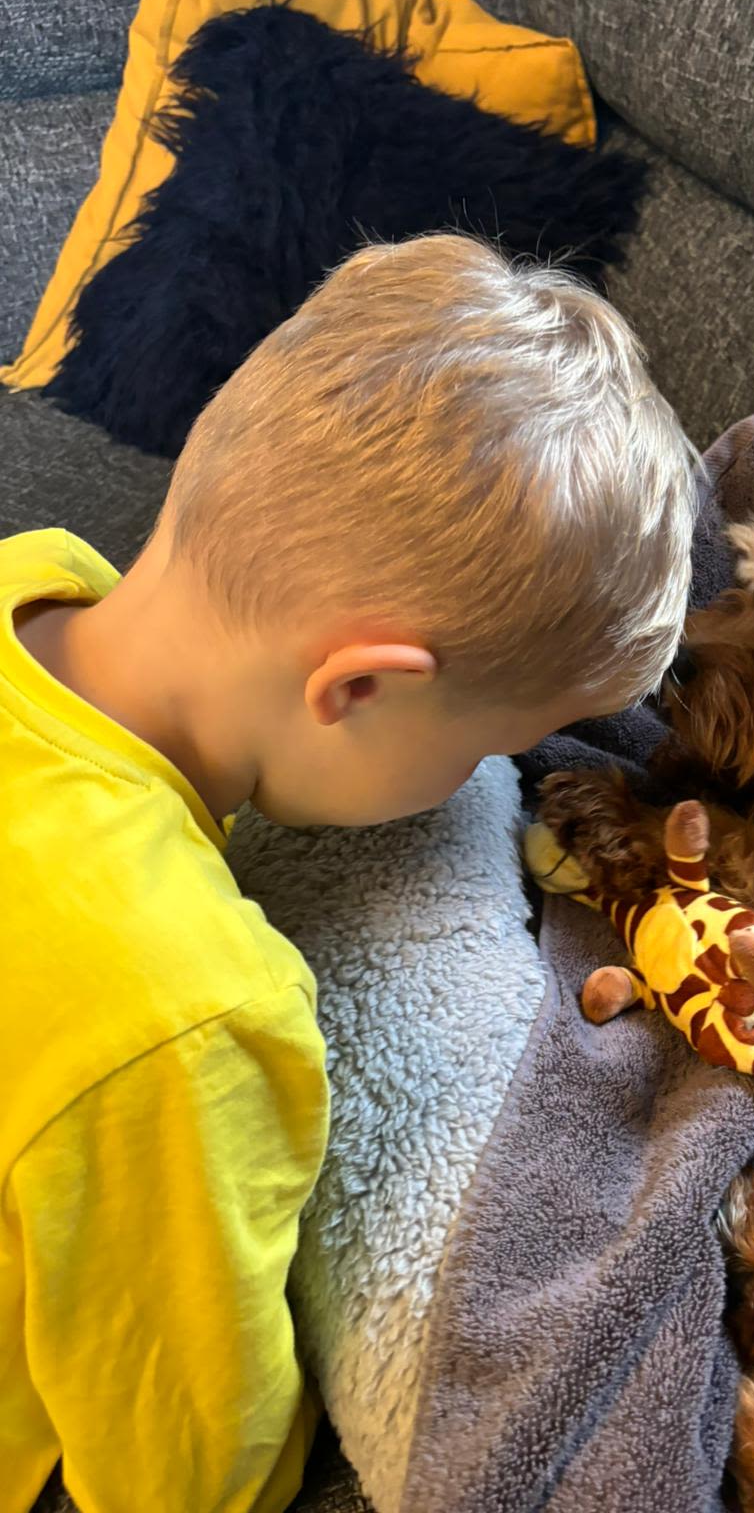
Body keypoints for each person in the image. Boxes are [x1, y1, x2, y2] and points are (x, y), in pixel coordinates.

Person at [0, 234, 698, 1513]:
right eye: (486, 745)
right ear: (361, 687)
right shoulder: (192, 1018)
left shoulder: (33, 572)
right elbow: (190, 1476)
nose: (490, 775)